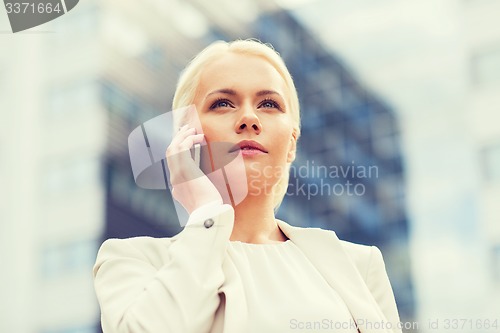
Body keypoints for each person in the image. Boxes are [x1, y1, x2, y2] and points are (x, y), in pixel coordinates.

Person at [93, 39, 402, 333]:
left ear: (292, 144)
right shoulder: (133, 261)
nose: (249, 119)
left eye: (268, 103)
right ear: (186, 138)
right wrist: (206, 215)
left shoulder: (359, 266)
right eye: (223, 103)